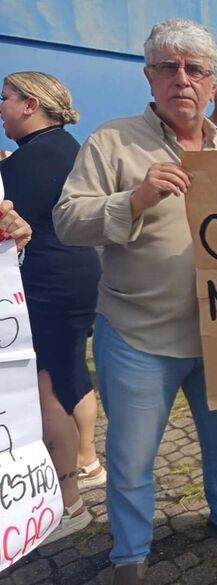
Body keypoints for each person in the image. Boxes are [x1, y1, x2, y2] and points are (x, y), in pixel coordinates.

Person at [53, 19, 217, 585]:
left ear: (211, 82)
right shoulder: (113, 140)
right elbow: (67, 219)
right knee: (131, 456)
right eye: (168, 67)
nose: (182, 79)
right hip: (137, 334)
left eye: (195, 70)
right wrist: (137, 197)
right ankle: (129, 552)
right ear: (149, 77)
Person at [0, 71, 104, 544]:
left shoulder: (27, 163)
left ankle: (69, 506)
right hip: (81, 278)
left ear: (30, 104)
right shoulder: (73, 148)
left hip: (46, 285)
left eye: (5, 98)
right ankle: (87, 461)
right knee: (70, 374)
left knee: (48, 390)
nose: (0, 107)